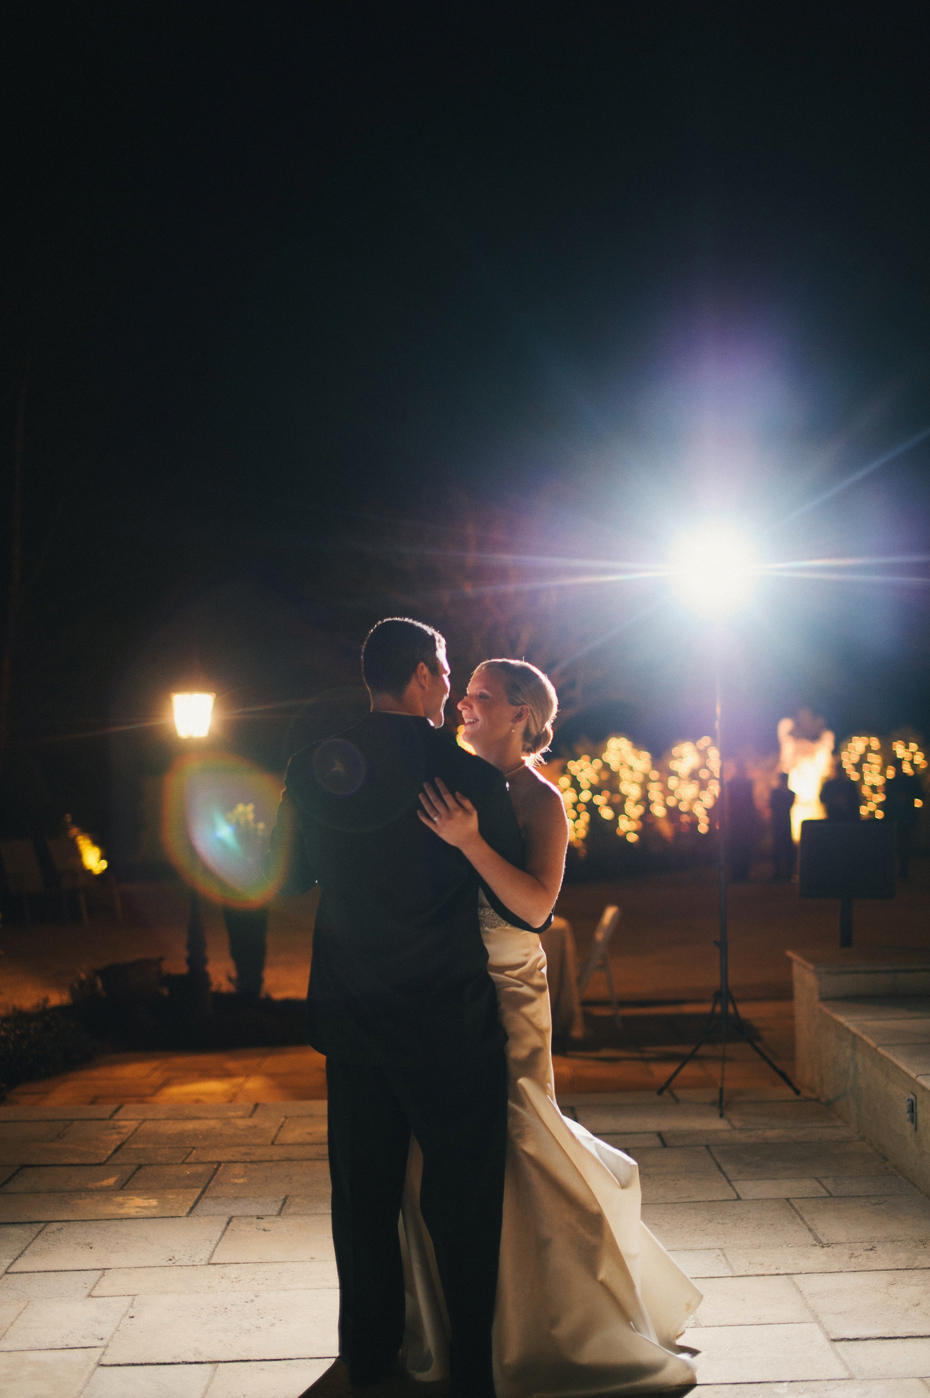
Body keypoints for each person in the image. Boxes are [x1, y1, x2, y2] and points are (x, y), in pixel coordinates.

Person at [402, 659, 700, 1396]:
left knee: (519, 1136)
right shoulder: (452, 777)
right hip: (445, 985)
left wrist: (470, 842)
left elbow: (536, 908)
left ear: (521, 716)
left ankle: (544, 1321)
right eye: (463, 692)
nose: (464, 704)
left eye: (482, 697)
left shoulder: (542, 800)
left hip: (506, 987)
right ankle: (452, 1313)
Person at [273, 618, 544, 1398]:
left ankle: (369, 1354)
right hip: (447, 1014)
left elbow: (287, 880)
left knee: (363, 1199)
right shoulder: (467, 777)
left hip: (355, 1015)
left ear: (373, 678)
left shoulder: (312, 765)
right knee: (463, 1200)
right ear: (424, 676)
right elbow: (513, 901)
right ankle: (469, 1371)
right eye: (446, 672)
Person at [885, 759, 924, 880]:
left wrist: (907, 796)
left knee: (904, 847)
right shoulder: (892, 782)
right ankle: (897, 873)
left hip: (905, 819)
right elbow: (887, 803)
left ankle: (902, 872)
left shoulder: (910, 781)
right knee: (895, 847)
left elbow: (921, 794)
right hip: (895, 820)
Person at [725, 757, 757, 883]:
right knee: (738, 847)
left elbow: (749, 802)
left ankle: (741, 873)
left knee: (742, 847)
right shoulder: (737, 783)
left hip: (741, 820)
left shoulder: (743, 783)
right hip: (739, 820)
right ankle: (738, 873)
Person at [770, 771, 796, 883]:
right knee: (778, 849)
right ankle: (778, 873)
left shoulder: (790, 793)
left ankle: (787, 874)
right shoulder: (777, 793)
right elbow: (773, 806)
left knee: (787, 849)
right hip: (779, 823)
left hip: (785, 823)